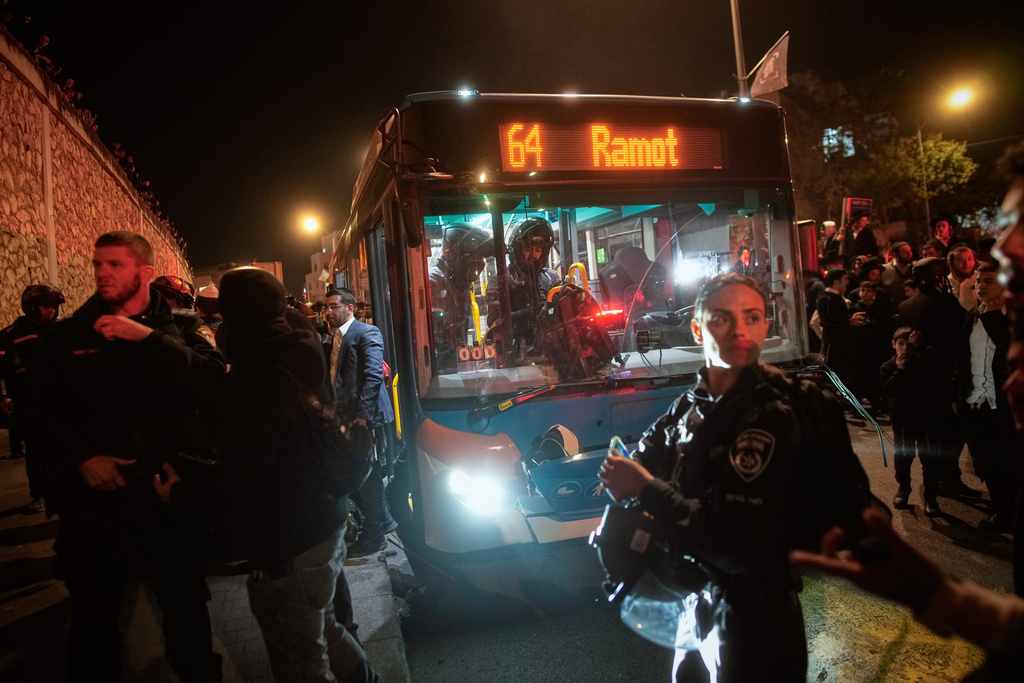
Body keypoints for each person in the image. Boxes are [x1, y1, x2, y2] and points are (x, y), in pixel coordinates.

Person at [598, 273, 872, 683]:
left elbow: (735, 544)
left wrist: (643, 487)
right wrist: (629, 472)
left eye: (752, 317)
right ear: (697, 326)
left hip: (753, 613)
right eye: (723, 318)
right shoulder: (694, 402)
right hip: (698, 599)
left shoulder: (769, 415)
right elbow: (648, 453)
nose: (739, 330)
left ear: (766, 325)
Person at [153, 267, 381, 683]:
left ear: (230, 316)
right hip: (325, 519)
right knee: (325, 629)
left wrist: (180, 493)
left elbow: (241, 490)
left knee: (301, 663)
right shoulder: (300, 348)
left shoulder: (251, 380)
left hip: (288, 542)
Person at [41, 231, 225, 682]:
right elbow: (42, 413)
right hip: (97, 505)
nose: (102, 273)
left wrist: (146, 338)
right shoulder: (69, 335)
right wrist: (82, 459)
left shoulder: (180, 329)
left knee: (186, 615)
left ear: (144, 273)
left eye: (115, 265)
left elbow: (213, 382)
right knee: (93, 623)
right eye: (98, 265)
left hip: (168, 500)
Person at [323, 288, 397, 558]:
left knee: (367, 476)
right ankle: (382, 523)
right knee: (362, 475)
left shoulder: (366, 332)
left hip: (364, 418)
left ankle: (376, 534)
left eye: (334, 306)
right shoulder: (332, 338)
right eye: (326, 307)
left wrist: (362, 416)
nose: (328, 311)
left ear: (350, 308)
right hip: (346, 417)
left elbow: (373, 375)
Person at [952, 260, 1016, 531]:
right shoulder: (972, 316)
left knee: (1011, 461)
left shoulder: (1013, 317)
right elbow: (963, 360)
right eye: (979, 281)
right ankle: (1001, 511)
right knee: (986, 460)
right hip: (977, 400)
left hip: (1006, 404)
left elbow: (1011, 352)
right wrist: (957, 394)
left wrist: (993, 318)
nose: (981, 286)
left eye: (989, 280)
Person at [0, 284, 64, 512]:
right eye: (48, 306)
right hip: (30, 404)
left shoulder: (58, 330)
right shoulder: (13, 334)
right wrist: (5, 396)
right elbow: (2, 369)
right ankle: (39, 496)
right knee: (36, 452)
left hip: (58, 402)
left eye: (55, 307)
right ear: (33, 307)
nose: (53, 311)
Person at [881, 327, 944, 515]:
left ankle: (930, 496)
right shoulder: (888, 366)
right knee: (903, 456)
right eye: (901, 344)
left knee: (929, 458)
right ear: (893, 344)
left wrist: (922, 347)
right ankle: (904, 487)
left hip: (925, 418)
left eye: (909, 345)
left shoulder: (923, 362)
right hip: (902, 420)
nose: (905, 349)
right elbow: (887, 391)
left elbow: (939, 367)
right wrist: (899, 372)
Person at [485, 216, 560, 354]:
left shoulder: (551, 278)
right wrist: (532, 313)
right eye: (528, 249)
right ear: (517, 249)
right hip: (515, 355)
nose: (534, 255)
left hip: (552, 354)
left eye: (538, 250)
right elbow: (495, 322)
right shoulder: (501, 280)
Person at [429, 222, 493, 370]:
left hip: (456, 364)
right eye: (473, 257)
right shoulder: (435, 281)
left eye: (480, 257)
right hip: (440, 368)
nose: (479, 263)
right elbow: (438, 339)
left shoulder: (459, 279)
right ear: (456, 254)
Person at [880, 241, 915, 307]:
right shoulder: (884, 270)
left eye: (910, 251)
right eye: (904, 252)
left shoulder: (916, 268)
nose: (909, 254)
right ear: (895, 255)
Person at [948, 246, 979, 311]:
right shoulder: (945, 283)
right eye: (960, 260)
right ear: (951, 263)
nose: (966, 263)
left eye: (970, 259)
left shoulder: (980, 280)